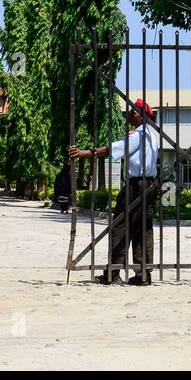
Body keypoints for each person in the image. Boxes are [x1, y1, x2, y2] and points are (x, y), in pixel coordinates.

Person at [69, 98, 159, 285]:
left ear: (142, 116)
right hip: (150, 185)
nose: (130, 115)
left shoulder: (138, 135)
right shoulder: (153, 134)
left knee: (120, 227)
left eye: (133, 112)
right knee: (143, 229)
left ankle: (113, 273)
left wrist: (84, 153)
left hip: (136, 186)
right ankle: (143, 274)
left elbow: (113, 148)